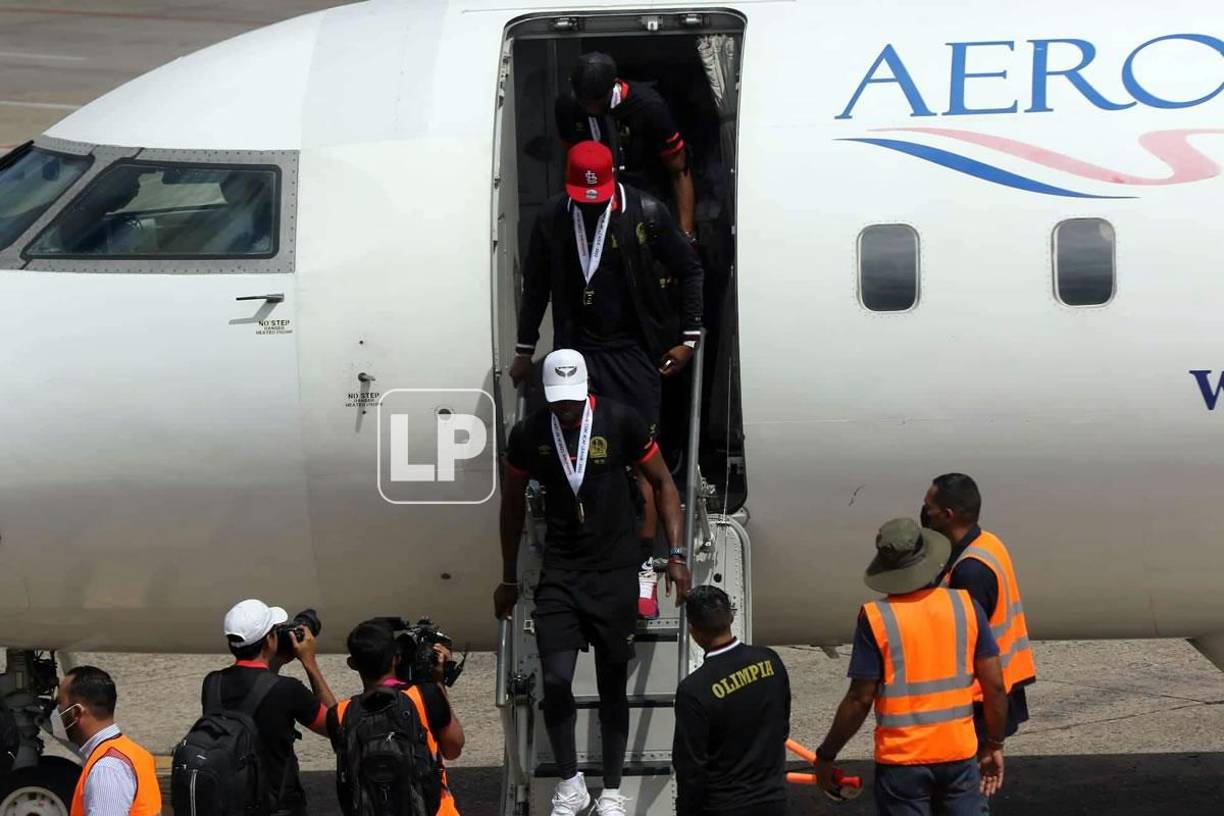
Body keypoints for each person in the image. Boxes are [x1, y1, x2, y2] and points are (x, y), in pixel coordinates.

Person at [508, 140, 703, 619]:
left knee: (640, 461)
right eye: (583, 197)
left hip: (634, 351)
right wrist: (524, 348)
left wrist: (687, 340)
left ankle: (643, 566)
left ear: (613, 178)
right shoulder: (554, 217)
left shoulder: (646, 211)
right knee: (586, 455)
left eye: (597, 197)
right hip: (579, 353)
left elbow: (691, 268)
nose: (591, 206)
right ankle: (588, 556)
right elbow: (535, 285)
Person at [496, 348, 692, 816]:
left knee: (611, 687)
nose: (564, 409)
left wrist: (676, 554)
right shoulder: (530, 433)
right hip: (561, 571)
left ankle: (611, 790)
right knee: (557, 678)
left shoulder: (621, 420)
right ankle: (570, 783)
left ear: (585, 389)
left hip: (616, 569)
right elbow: (512, 503)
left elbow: (663, 483)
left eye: (571, 400)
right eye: (556, 400)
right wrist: (506, 575)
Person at [812, 519, 1009, 816]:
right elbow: (994, 686)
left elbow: (860, 699)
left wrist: (826, 754)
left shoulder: (876, 618)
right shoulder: (965, 606)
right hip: (957, 754)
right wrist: (994, 743)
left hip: (902, 762)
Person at [922, 473, 1036, 752]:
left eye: (928, 507)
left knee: (963, 791)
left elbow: (969, 648)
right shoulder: (987, 543)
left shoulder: (970, 571)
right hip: (995, 693)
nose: (924, 513)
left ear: (947, 515)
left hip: (976, 703)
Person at [205, 599, 337, 816]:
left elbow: (256, 688)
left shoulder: (212, 683)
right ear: (270, 640)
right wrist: (309, 662)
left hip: (231, 803)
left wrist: (274, 660)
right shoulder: (287, 690)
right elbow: (337, 726)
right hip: (275, 806)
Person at [672, 586, 791, 816]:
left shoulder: (694, 690)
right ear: (731, 618)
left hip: (723, 806)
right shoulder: (770, 661)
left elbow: (690, 768)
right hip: (773, 800)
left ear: (693, 630)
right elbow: (782, 728)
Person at [555, 51, 697, 240]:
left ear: (611, 87)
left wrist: (686, 235)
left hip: (645, 202)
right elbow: (568, 162)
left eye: (594, 102)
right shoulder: (567, 106)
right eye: (583, 101)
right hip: (593, 204)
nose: (588, 108)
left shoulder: (649, 106)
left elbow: (679, 171)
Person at [329, 619, 464, 816]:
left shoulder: (340, 713)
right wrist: (438, 681)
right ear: (397, 658)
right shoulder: (424, 696)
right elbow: (453, 748)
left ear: (352, 664)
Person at [57, 665, 161, 816]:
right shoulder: (133, 753)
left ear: (76, 712)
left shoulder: (106, 768)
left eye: (60, 703)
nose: (57, 712)